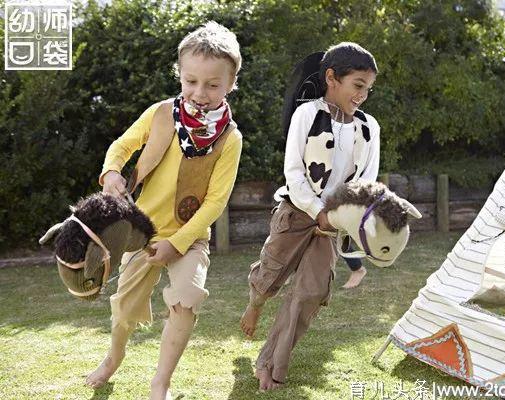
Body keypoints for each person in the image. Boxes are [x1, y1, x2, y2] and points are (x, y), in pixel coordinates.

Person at [85, 21, 243, 400]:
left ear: (231, 84)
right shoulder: (159, 114)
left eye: (212, 85)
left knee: (187, 298)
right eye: (191, 81)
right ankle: (113, 358)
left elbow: (216, 202)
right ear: (180, 75)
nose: (199, 93)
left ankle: (161, 384)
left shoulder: (230, 139)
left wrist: (179, 242)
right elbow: (121, 147)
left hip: (189, 239)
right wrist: (110, 174)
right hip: (141, 234)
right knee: (124, 313)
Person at [240, 42, 380, 390]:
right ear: (332, 78)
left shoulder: (369, 128)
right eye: (357, 85)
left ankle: (271, 362)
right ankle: (255, 303)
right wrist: (317, 211)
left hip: (332, 224)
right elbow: (294, 173)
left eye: (368, 88)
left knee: (311, 292)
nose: (363, 95)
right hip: (296, 211)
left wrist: (342, 218)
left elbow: (367, 182)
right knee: (270, 279)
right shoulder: (307, 115)